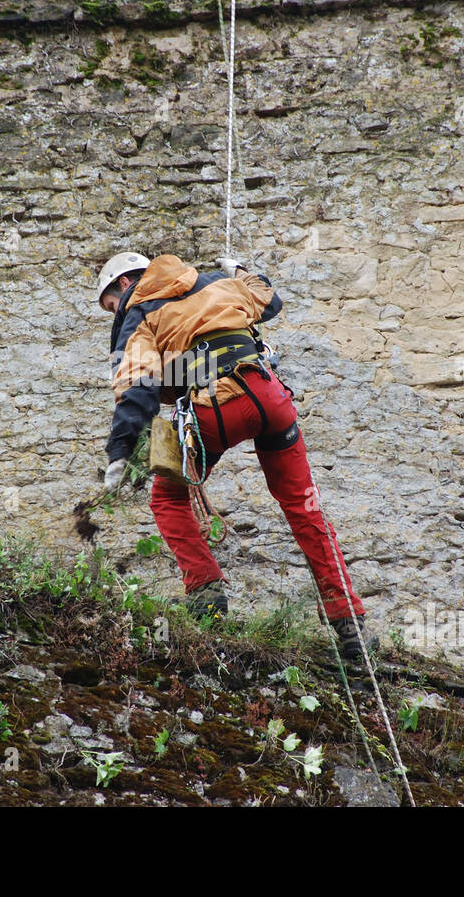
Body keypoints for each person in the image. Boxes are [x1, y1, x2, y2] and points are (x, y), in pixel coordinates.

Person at [95, 250, 371, 660]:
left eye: (111, 306)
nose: (116, 313)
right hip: (270, 397)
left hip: (213, 410)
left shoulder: (138, 311)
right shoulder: (212, 282)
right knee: (303, 506)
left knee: (167, 497)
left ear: (123, 283)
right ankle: (349, 623)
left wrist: (120, 451)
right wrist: (240, 270)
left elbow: (138, 383)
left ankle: (205, 594)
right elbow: (268, 300)